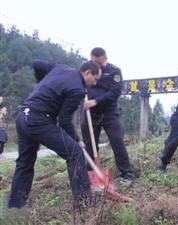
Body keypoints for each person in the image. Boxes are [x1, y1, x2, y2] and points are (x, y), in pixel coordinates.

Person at [8, 61, 101, 209]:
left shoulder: (61, 68)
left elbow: (37, 64)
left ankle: (15, 206)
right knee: (75, 154)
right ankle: (84, 202)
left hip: (23, 116)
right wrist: (77, 140)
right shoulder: (78, 89)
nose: (94, 83)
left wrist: (41, 83)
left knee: (24, 163)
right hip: (39, 120)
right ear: (88, 73)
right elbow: (64, 120)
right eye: (95, 79)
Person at [81, 47, 136, 182]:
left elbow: (115, 92)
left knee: (117, 141)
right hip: (91, 114)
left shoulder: (114, 71)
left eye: (99, 63)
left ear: (105, 58)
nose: (97, 66)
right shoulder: (87, 69)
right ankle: (91, 175)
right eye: (94, 63)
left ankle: (126, 173)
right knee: (89, 145)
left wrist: (96, 101)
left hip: (109, 113)